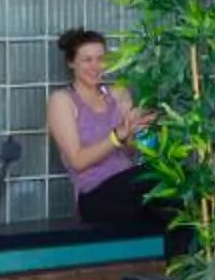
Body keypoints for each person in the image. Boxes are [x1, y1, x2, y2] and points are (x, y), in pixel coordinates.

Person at [44, 28, 183, 253]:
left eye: (100, 59)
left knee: (178, 198)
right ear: (71, 63)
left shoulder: (118, 94)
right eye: (87, 60)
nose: (95, 66)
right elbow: (78, 160)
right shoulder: (62, 101)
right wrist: (116, 136)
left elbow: (131, 151)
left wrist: (141, 132)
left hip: (131, 189)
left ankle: (184, 279)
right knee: (149, 181)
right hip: (95, 196)